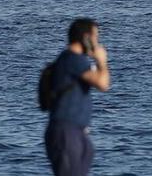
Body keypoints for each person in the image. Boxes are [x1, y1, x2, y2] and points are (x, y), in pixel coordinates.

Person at [45, 18, 111, 176]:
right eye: (96, 38)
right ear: (86, 38)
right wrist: (101, 60)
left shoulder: (76, 60)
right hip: (66, 132)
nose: (98, 44)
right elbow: (102, 84)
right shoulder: (72, 59)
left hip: (77, 132)